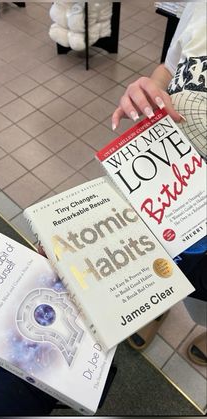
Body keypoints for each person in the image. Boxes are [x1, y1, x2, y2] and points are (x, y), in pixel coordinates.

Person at [112, 2, 207, 366]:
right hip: (167, 186)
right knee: (158, 256)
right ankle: (155, 301)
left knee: (203, 282)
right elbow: (170, 66)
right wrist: (148, 90)